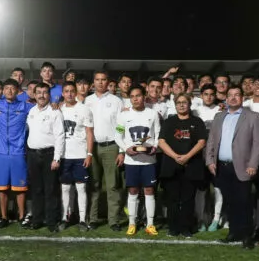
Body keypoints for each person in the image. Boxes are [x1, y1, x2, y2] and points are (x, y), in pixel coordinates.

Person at [205, 85, 259, 249]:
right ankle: (233, 232)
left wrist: (253, 164)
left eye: (237, 95)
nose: (233, 98)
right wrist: (210, 161)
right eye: (230, 95)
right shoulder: (219, 116)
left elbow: (258, 143)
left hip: (243, 167)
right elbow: (211, 141)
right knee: (230, 202)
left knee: (244, 202)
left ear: (242, 97)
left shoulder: (253, 117)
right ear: (226, 98)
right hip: (222, 167)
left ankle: (247, 236)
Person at [158, 93, 207, 238]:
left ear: (189, 104)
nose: (181, 104)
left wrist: (187, 157)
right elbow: (161, 141)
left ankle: (186, 228)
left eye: (184, 102)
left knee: (188, 199)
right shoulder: (169, 122)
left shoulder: (197, 122)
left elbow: (201, 142)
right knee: (172, 198)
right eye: (178, 102)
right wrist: (175, 156)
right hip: (171, 166)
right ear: (175, 104)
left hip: (191, 165)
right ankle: (173, 227)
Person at [115, 86, 161, 236]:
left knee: (149, 191)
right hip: (131, 161)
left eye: (138, 95)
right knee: (133, 191)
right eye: (132, 96)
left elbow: (158, 134)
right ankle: (132, 223)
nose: (135, 99)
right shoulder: (123, 115)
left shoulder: (153, 113)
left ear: (144, 96)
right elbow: (118, 136)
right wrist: (126, 149)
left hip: (149, 160)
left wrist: (154, 147)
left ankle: (150, 224)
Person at [84, 70, 125, 231]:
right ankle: (93, 218)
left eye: (103, 80)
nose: (100, 82)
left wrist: (122, 150)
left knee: (112, 185)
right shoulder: (87, 101)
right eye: (97, 80)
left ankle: (113, 220)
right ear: (93, 82)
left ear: (108, 82)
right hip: (92, 147)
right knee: (94, 184)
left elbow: (121, 126)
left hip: (111, 146)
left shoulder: (116, 101)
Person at [0, 79, 33, 228]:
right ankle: (4, 217)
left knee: (20, 188)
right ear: (3, 90)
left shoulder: (26, 106)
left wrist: (56, 105)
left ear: (17, 91)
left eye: (12, 88)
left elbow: (43, 108)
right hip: (1, 152)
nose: (9, 91)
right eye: (6, 88)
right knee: (2, 188)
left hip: (18, 152)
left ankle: (22, 216)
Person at [26, 83, 65, 232]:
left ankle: (51, 222)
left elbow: (60, 136)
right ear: (34, 95)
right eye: (39, 93)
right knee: (36, 190)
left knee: (50, 190)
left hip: (49, 155)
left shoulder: (55, 112)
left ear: (49, 95)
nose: (42, 95)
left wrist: (57, 158)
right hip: (32, 155)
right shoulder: (31, 112)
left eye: (44, 93)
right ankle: (37, 220)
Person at [59, 82, 94, 231]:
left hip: (80, 155)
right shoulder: (58, 109)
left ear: (76, 92)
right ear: (62, 93)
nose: (69, 94)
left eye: (72, 91)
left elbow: (89, 132)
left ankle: (82, 219)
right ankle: (64, 218)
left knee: (81, 188)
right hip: (64, 155)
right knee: (65, 188)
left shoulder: (84, 109)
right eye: (66, 91)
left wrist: (89, 154)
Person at [192, 83, 223, 232]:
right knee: (201, 189)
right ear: (201, 95)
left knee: (218, 188)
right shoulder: (195, 111)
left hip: (217, 156)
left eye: (212, 94)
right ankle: (200, 219)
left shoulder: (221, 110)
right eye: (206, 94)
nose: (209, 97)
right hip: (199, 156)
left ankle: (216, 219)